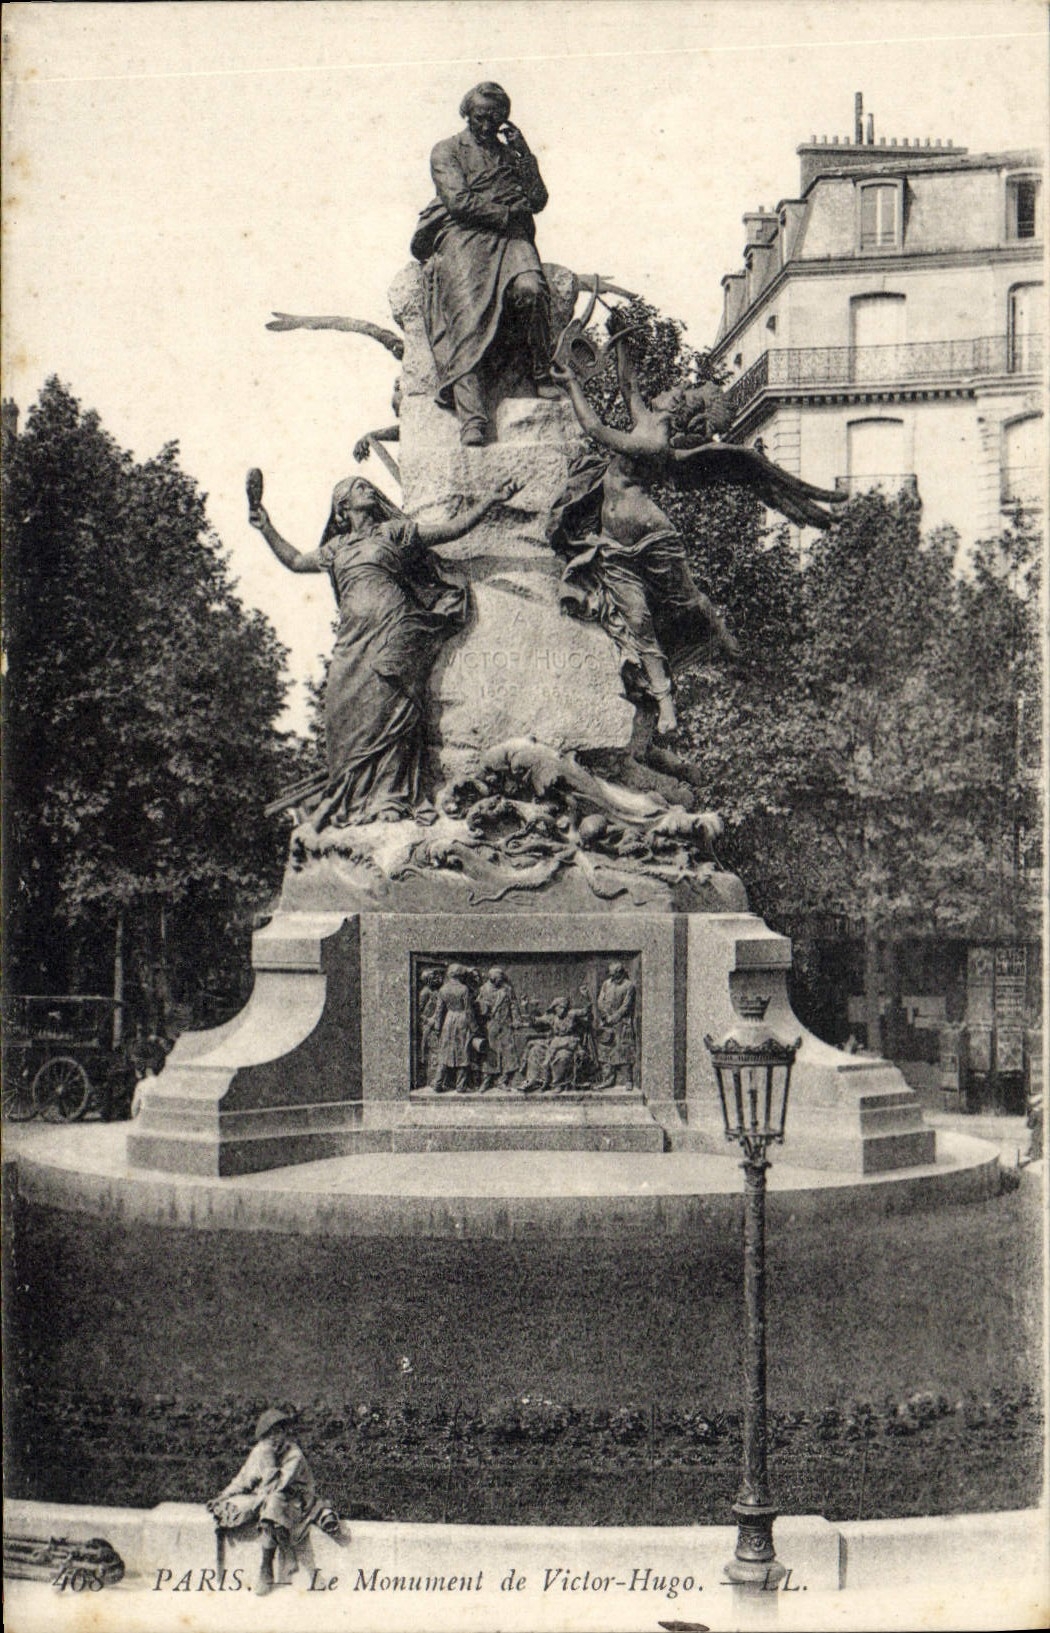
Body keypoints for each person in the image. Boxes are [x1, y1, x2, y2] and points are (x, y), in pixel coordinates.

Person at [549, 335, 841, 737]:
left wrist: (572, 385)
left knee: (687, 599)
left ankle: (722, 638)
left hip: (653, 539)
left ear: (676, 406)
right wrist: (618, 339)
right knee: (637, 619)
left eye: (676, 389)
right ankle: (666, 702)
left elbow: (597, 430)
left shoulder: (655, 443)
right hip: (613, 544)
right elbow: (628, 385)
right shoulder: (647, 421)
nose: (669, 389)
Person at [250, 475, 518, 827]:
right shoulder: (337, 547)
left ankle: (390, 799)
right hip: (352, 641)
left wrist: (489, 501)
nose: (369, 489)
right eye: (359, 487)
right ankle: (357, 801)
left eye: (368, 486)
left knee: (391, 711)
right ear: (342, 506)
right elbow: (297, 560)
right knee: (342, 714)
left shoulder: (393, 533)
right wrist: (266, 527)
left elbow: (450, 530)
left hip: (393, 630)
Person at [411, 83, 557, 445]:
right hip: (463, 233)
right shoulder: (446, 151)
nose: (488, 125)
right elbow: (459, 202)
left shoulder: (510, 155)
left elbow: (538, 200)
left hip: (512, 239)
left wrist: (523, 154)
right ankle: (472, 417)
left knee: (532, 290)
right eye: (481, 117)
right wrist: (508, 213)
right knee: (467, 314)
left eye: (496, 118)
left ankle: (541, 373)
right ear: (467, 114)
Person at [207, 1409, 340, 1597]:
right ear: (264, 1436)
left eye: (280, 1432)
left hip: (297, 1502)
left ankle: (266, 1567)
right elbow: (244, 1479)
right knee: (272, 1505)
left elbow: (279, 1485)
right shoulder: (261, 1451)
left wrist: (269, 1463)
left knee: (273, 1503)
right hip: (273, 1503)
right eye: (270, 1434)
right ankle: (282, 1566)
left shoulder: (294, 1454)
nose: (275, 1438)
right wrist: (223, 1495)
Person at [427, 964, 481, 1094]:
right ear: (460, 975)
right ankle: (460, 1086)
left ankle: (438, 1084)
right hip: (462, 1020)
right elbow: (468, 1010)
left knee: (445, 1052)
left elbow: (439, 1011)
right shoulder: (464, 989)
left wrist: (437, 1028)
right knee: (463, 1052)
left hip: (448, 1020)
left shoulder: (443, 989)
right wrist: (474, 1028)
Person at [476, 967, 524, 1091]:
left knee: (508, 1053)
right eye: (498, 979)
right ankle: (486, 1080)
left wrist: (517, 1019)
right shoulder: (483, 989)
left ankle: (502, 1081)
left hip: (505, 1025)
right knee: (490, 1053)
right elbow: (478, 1006)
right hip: (490, 1026)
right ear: (492, 979)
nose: (501, 981)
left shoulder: (507, 989)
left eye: (502, 979)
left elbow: (513, 1005)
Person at [594, 962, 637, 1089]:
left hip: (622, 1023)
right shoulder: (606, 984)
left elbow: (626, 1005)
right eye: (611, 975)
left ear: (621, 972)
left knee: (624, 1050)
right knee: (605, 1050)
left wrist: (614, 1017)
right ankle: (608, 1079)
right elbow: (600, 1001)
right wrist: (606, 1015)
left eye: (615, 974)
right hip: (607, 1022)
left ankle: (628, 1079)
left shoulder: (629, 985)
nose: (613, 977)